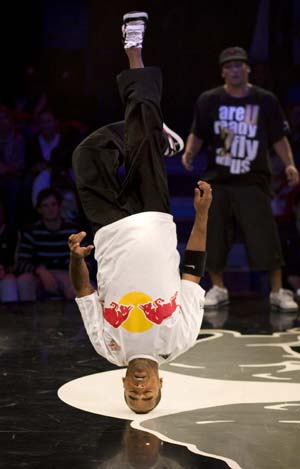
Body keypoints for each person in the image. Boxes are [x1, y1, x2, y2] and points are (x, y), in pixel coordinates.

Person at [69, 11, 211, 414]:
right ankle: (135, 48)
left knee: (85, 154)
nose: (140, 389)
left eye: (133, 396)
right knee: (142, 115)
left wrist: (76, 260)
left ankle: (146, 130)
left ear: (123, 386)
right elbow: (193, 273)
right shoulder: (178, 340)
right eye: (148, 395)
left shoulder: (107, 346)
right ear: (161, 384)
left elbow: (84, 292)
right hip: (153, 216)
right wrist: (201, 215)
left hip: (108, 228)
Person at [182, 46, 300, 311]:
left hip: (253, 179)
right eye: (229, 66)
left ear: (247, 69)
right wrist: (190, 153)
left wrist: (290, 164)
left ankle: (278, 291)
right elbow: (197, 131)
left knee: (265, 236)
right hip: (219, 180)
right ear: (223, 72)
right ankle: (218, 288)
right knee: (214, 235)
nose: (235, 70)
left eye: (239, 65)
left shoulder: (265, 100)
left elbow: (278, 137)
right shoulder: (209, 100)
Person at [16, 188, 78, 301]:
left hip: (68, 274)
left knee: (77, 288)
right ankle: (28, 318)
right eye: (45, 206)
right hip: (40, 275)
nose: (50, 209)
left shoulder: (72, 230)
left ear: (59, 206)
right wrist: (40, 271)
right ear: (39, 209)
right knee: (24, 281)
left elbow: (88, 261)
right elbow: (21, 263)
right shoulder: (32, 232)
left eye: (53, 204)